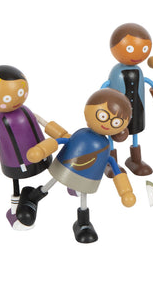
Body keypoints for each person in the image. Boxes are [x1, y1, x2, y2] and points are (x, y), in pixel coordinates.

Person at [23, 89, 136, 243]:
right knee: (52, 182)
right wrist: (42, 150)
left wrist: (125, 191)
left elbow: (114, 166)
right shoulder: (81, 134)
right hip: (65, 167)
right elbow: (60, 140)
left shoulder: (105, 146)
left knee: (83, 196)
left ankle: (83, 223)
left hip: (87, 178)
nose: (107, 123)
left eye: (115, 122)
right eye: (103, 116)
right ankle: (32, 198)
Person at [0, 65, 68, 230]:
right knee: (15, 185)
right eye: (8, 97)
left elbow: (43, 122)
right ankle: (14, 211)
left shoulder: (26, 112)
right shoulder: (1, 121)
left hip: (42, 155)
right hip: (16, 164)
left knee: (56, 170)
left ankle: (69, 184)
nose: (16, 98)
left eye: (20, 92)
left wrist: (63, 134)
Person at [102, 23, 153, 175]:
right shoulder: (116, 72)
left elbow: (152, 84)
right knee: (113, 134)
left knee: (135, 134)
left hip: (138, 110)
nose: (138, 54)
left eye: (144, 49)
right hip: (116, 113)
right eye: (130, 49)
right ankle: (110, 161)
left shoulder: (139, 71)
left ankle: (136, 160)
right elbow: (103, 90)